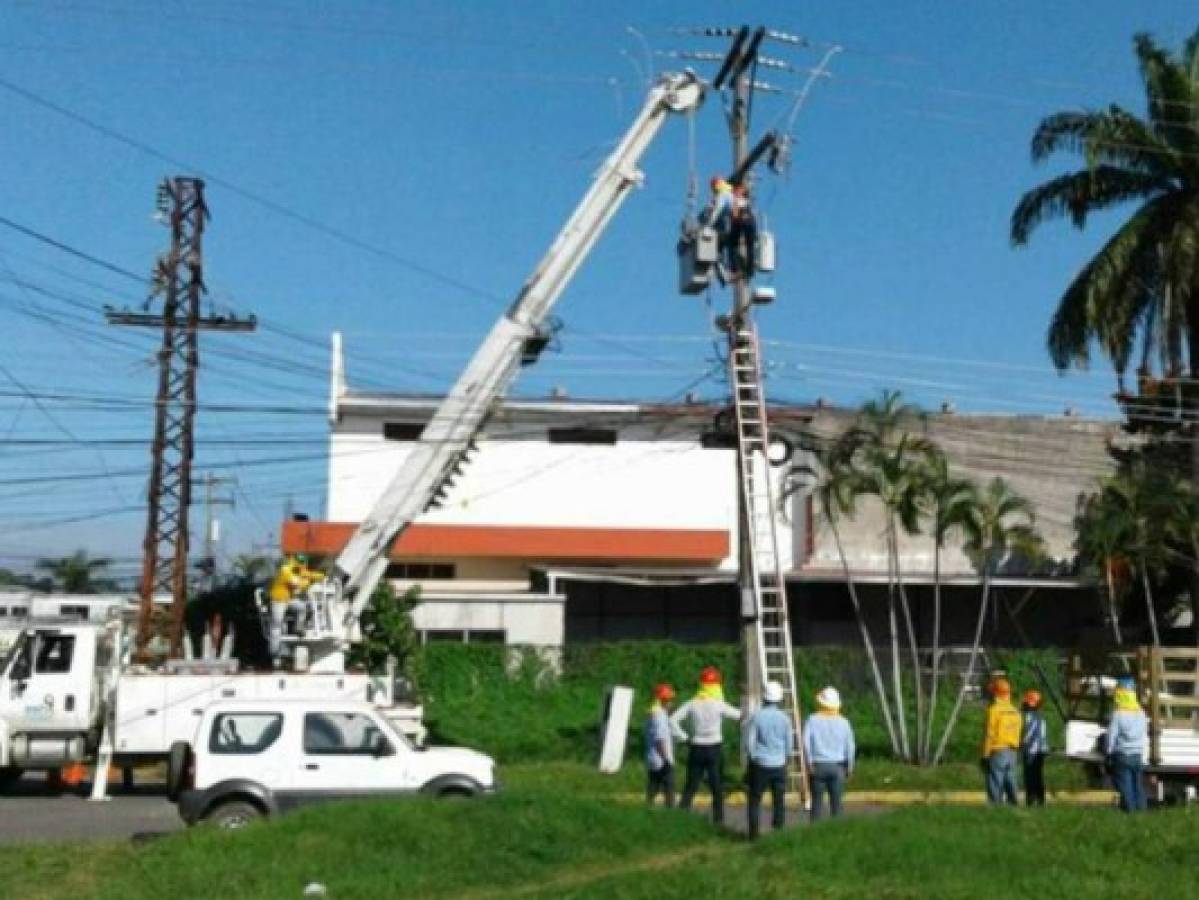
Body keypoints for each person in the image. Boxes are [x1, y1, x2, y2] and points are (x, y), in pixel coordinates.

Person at [671, 666, 741, 824]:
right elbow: (740, 715)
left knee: (691, 784)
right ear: (717, 685)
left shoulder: (692, 703)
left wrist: (684, 737)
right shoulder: (719, 704)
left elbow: (672, 720)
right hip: (714, 748)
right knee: (717, 786)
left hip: (696, 747)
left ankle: (681, 816)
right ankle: (718, 819)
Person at [745, 680, 794, 839]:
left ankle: (754, 834)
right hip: (779, 763)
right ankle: (778, 831)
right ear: (779, 699)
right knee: (779, 800)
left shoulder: (757, 717)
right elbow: (789, 743)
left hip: (761, 763)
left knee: (755, 799)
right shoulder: (785, 719)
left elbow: (750, 742)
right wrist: (786, 759)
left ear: (764, 698)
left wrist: (753, 757)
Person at [803, 686, 855, 821]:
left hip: (818, 765)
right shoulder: (844, 722)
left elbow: (806, 744)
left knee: (816, 803)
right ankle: (835, 834)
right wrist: (850, 767)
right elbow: (850, 747)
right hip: (838, 766)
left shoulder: (812, 720)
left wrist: (808, 763)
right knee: (837, 804)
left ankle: (814, 832)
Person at [267, 554, 325, 659]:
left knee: (302, 607)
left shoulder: (296, 569)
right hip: (278, 601)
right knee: (277, 625)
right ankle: (274, 652)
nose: (303, 567)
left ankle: (298, 627)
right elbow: (297, 583)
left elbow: (307, 573)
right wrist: (308, 581)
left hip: (288, 600)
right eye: (302, 564)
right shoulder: (285, 570)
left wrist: (320, 576)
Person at [1105, 680, 1148, 813]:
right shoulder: (1141, 712)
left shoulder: (1118, 714)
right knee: (1138, 786)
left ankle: (1130, 813)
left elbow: (1111, 735)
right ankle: (1142, 811)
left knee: (1125, 786)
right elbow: (1144, 733)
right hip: (1137, 754)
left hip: (1122, 754)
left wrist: (1108, 751)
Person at [981, 677, 1022, 805]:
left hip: (997, 750)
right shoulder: (1015, 711)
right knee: (1010, 779)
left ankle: (995, 805)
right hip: (1013, 751)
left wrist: (985, 754)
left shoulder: (994, 711)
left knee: (995, 779)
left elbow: (990, 733)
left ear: (995, 694)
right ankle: (1013, 804)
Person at [645, 683, 677, 808]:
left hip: (653, 758)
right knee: (669, 791)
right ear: (664, 700)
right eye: (670, 700)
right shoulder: (659, 717)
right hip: (661, 760)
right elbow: (660, 739)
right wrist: (666, 760)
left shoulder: (654, 713)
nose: (672, 703)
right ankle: (671, 815)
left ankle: (647, 810)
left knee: (652, 788)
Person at [1020, 689, 1050, 806]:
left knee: (1030, 776)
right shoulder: (1041, 717)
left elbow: (1027, 735)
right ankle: (1040, 799)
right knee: (1038, 776)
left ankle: (1031, 799)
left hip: (1031, 751)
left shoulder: (1028, 717)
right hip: (1041, 751)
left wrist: (1021, 744)